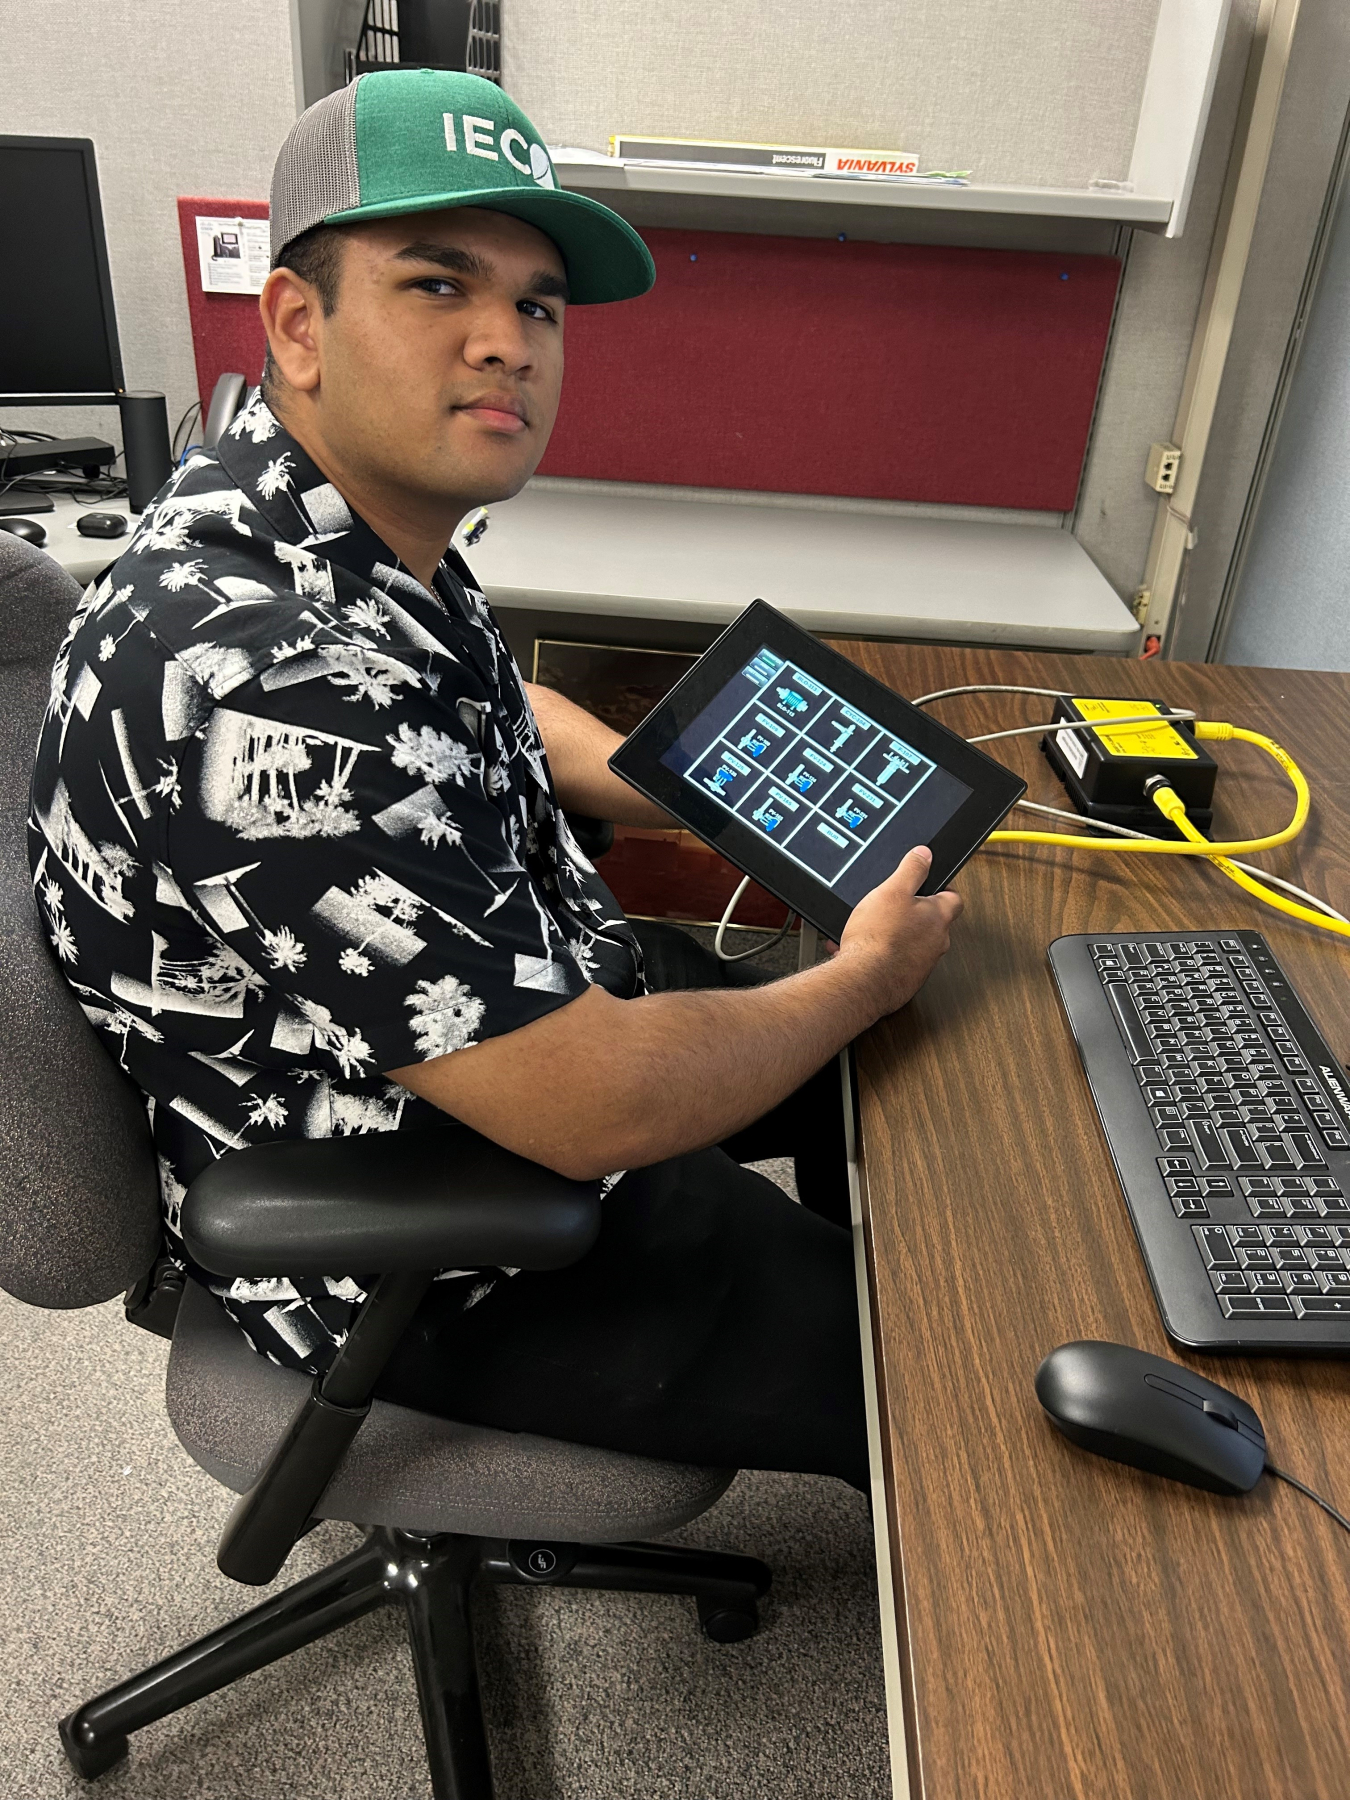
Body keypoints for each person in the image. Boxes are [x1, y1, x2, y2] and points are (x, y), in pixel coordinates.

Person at [29, 70, 961, 1494]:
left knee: (931, 1063)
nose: (504, 342)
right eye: (435, 286)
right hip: (430, 1219)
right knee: (954, 1357)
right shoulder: (261, 678)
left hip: (502, 1019)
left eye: (535, 304)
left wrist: (684, 780)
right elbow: (595, 1107)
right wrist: (856, 978)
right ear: (298, 325)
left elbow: (478, 703)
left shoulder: (299, 518)